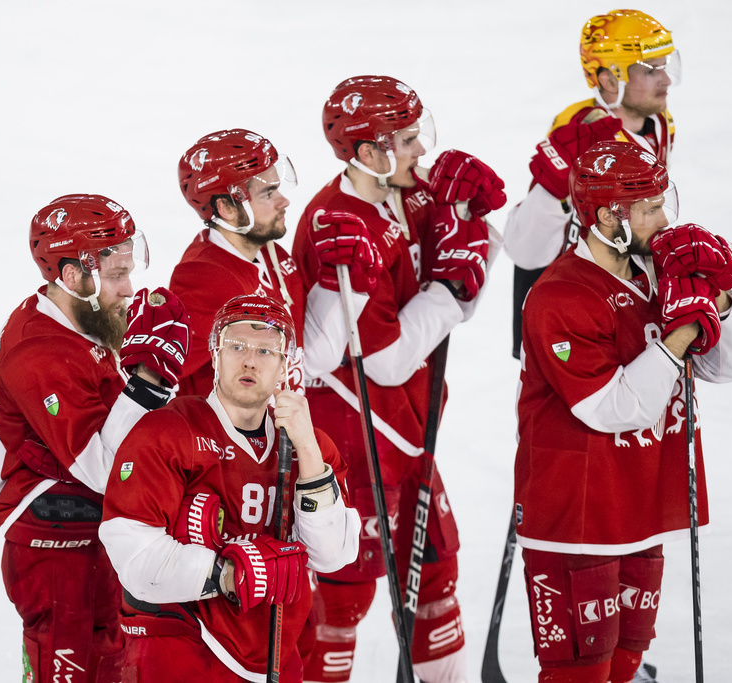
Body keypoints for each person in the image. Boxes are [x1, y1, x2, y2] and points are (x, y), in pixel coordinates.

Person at [291, 75, 506, 682]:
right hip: (353, 441)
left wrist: (473, 232)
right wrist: (450, 287)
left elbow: (453, 300)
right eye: (407, 139)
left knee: (435, 578)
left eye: (419, 134)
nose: (422, 151)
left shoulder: (411, 198)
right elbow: (382, 359)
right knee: (340, 599)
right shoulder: (334, 221)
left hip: (411, 431)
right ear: (366, 153)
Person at [513, 141, 732, 682]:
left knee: (624, 666)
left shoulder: (652, 277)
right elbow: (615, 406)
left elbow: (724, 368)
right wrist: (683, 330)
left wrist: (721, 302)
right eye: (648, 209)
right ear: (606, 217)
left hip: (639, 508)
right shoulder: (559, 296)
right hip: (576, 519)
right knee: (581, 675)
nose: (665, 220)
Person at [0, 194, 190, 682]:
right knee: (71, 665)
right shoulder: (39, 352)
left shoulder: (83, 317)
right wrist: (147, 383)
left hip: (92, 530)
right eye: (116, 274)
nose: (128, 287)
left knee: (111, 663)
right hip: (52, 546)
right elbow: (101, 469)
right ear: (74, 276)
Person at [100, 295, 361, 682]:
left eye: (266, 351)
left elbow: (334, 554)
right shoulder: (167, 432)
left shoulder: (313, 447)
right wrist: (225, 574)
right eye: (236, 346)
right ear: (215, 356)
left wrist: (307, 451)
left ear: (285, 366)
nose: (250, 360)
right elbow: (133, 557)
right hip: (183, 649)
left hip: (275, 651)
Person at [504, 9, 680, 358]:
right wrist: (555, 189)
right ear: (609, 79)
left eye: (665, 66)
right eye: (649, 69)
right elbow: (527, 246)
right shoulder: (579, 129)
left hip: (623, 288)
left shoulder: (661, 123)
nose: (666, 80)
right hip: (567, 299)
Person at [171, 128, 379, 397]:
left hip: (281, 434)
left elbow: (309, 359)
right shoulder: (204, 277)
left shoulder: (274, 256)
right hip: (236, 439)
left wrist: (345, 287)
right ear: (227, 208)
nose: (284, 201)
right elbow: (161, 376)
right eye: (268, 194)